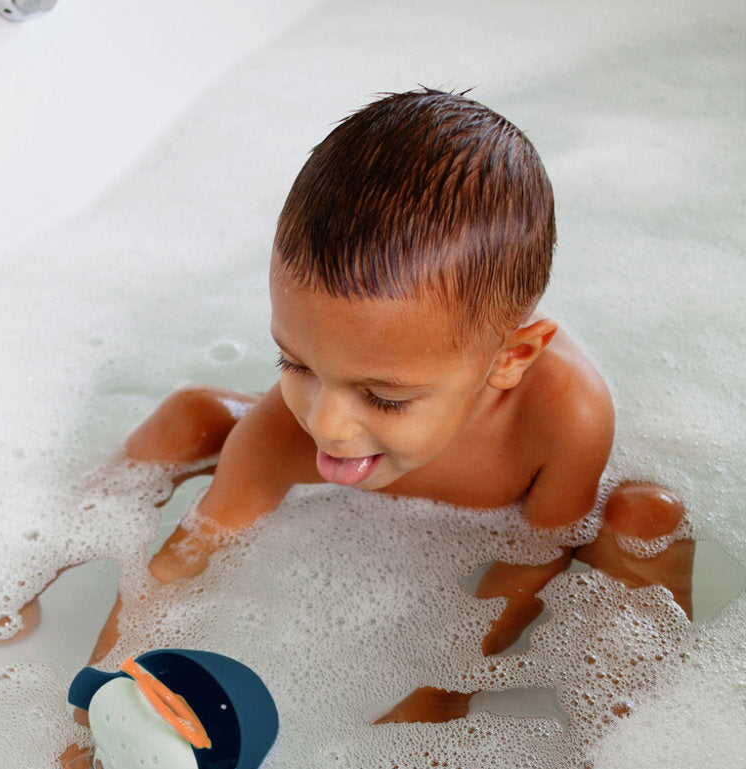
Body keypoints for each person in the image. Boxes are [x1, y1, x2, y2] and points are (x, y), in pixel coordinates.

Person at [87, 88, 694, 701]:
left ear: (510, 360)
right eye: (294, 362)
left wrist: (443, 691)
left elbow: (536, 556)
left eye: (384, 397)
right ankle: (25, 577)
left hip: (520, 528)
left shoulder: (563, 417)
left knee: (647, 518)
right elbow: (178, 568)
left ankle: (633, 752)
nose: (325, 424)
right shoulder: (283, 430)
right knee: (190, 422)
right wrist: (96, 704)